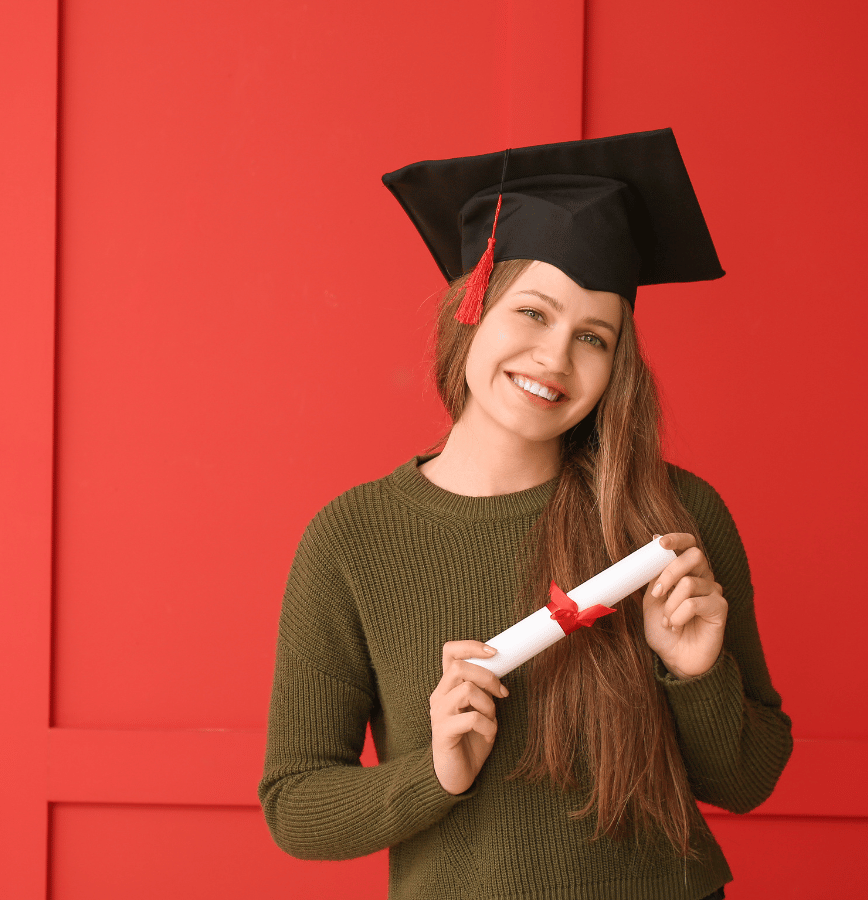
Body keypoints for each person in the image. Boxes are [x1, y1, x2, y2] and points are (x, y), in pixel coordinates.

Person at [258, 130, 792, 900]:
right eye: (534, 313)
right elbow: (296, 805)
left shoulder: (671, 517)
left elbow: (749, 780)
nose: (555, 358)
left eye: (592, 337)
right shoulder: (351, 539)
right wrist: (436, 773)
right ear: (472, 306)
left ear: (615, 366)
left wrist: (694, 672)